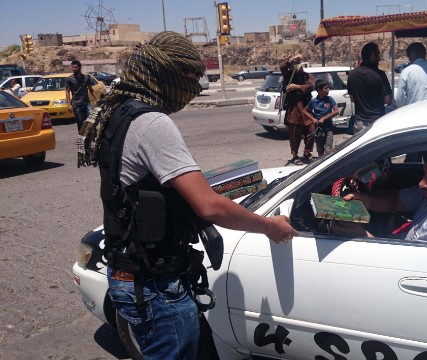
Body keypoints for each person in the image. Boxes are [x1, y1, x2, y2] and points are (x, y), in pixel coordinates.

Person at [77, 31, 297, 359]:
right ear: (166, 76)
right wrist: (271, 227)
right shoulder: (152, 123)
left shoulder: (118, 112)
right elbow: (208, 207)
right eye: (190, 79)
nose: (193, 89)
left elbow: (146, 186)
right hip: (156, 285)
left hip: (131, 272)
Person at [333, 148, 427, 246]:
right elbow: (395, 200)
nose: (421, 183)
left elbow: (403, 263)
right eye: (424, 174)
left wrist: (360, 236)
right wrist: (364, 200)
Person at [347, 42, 392, 134]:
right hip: (377, 122)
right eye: (378, 54)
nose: (380, 58)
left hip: (359, 123)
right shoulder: (380, 74)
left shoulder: (352, 74)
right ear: (372, 55)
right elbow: (387, 99)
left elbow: (352, 98)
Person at [280, 54, 315, 165]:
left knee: (312, 130)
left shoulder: (307, 76)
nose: (299, 66)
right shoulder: (288, 75)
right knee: (295, 133)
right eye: (296, 64)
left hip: (306, 108)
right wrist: (291, 60)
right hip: (294, 108)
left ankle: (307, 152)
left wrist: (298, 86)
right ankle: (295, 155)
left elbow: (310, 86)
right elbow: (282, 67)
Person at [394, 42, 427, 107]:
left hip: (413, 113)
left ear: (409, 57)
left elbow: (400, 100)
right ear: (424, 54)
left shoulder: (406, 72)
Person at [303, 79, 339, 157]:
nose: (328, 90)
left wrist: (324, 118)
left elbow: (336, 111)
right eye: (326, 88)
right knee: (320, 150)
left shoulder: (330, 99)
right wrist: (313, 119)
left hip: (328, 128)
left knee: (328, 150)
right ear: (319, 90)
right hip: (318, 129)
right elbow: (305, 111)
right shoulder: (314, 101)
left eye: (328, 88)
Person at [66, 60, 96, 131]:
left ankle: (92, 135)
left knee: (92, 120)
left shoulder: (86, 78)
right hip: (76, 104)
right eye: (72, 67)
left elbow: (91, 89)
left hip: (86, 103)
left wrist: (97, 98)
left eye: (75, 67)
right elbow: (67, 92)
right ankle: (81, 137)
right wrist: (69, 105)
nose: (73, 69)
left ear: (80, 67)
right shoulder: (69, 79)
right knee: (80, 122)